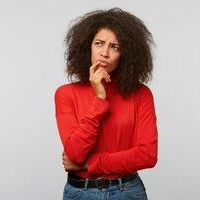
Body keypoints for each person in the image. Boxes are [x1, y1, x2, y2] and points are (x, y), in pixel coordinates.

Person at [54, 7, 158, 200]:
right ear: (88, 46)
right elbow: (75, 154)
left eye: (115, 47)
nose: (104, 53)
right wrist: (99, 99)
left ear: (126, 54)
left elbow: (147, 155)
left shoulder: (141, 94)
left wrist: (89, 164)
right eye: (99, 43)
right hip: (80, 192)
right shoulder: (66, 94)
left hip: (127, 192)